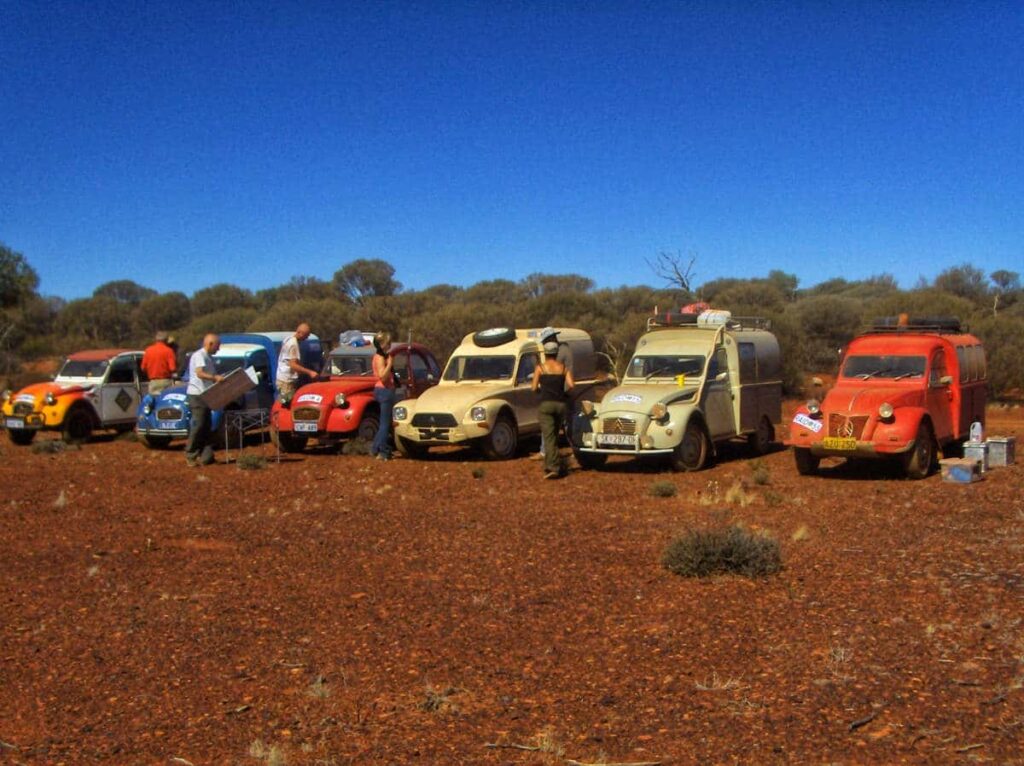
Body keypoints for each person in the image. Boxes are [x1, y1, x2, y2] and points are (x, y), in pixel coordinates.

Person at [532, 338, 575, 479]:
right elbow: (572, 385)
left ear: (545, 353)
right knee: (554, 436)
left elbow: (533, 388)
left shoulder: (540, 368)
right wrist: (564, 394)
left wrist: (541, 393)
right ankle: (552, 464)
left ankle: (553, 467)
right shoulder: (563, 368)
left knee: (548, 436)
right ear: (556, 353)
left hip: (546, 405)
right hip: (561, 405)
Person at [185, 333, 224, 466]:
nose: (218, 349)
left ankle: (207, 456)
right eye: (217, 346)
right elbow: (199, 373)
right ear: (210, 344)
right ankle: (191, 453)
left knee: (206, 426)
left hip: (206, 394)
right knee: (199, 424)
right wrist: (215, 378)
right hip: (197, 395)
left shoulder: (208, 357)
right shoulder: (200, 356)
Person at [275, 322, 319, 405]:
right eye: (306, 335)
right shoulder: (293, 345)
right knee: (288, 404)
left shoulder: (288, 339)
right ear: (301, 333)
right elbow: (293, 365)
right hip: (287, 381)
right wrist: (310, 372)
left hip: (281, 377)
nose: (307, 337)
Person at [370, 331, 396, 461]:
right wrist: (390, 363)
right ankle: (383, 451)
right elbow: (383, 376)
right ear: (381, 344)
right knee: (385, 424)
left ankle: (375, 448)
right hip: (384, 390)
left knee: (384, 423)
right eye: (387, 343)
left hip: (383, 390)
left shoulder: (380, 356)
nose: (389, 345)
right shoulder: (381, 358)